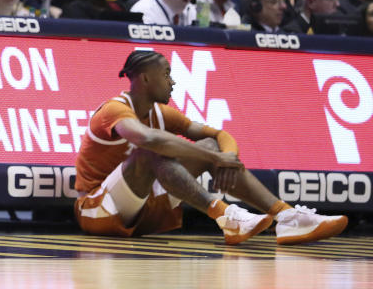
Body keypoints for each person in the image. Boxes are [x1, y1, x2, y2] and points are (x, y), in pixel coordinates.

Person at [75, 49, 348, 244]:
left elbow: (219, 134)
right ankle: (225, 214)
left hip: (144, 209)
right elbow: (149, 140)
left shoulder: (162, 113)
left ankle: (286, 217)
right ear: (145, 79)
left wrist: (226, 157)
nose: (173, 81)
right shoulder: (113, 109)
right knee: (152, 151)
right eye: (167, 74)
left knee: (210, 144)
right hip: (98, 208)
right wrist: (213, 158)